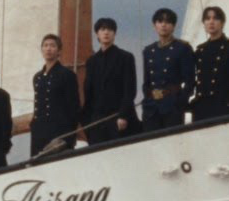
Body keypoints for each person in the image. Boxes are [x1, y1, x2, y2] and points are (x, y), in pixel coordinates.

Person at [80, 16, 138, 146]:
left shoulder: (125, 57)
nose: (106, 33)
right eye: (102, 29)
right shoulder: (91, 62)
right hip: (96, 121)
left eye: (110, 30)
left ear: (114, 33)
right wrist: (86, 121)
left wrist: (123, 115)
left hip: (118, 118)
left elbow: (130, 90)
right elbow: (89, 93)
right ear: (97, 34)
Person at [141, 8, 196, 132]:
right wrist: (148, 99)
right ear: (154, 25)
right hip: (151, 108)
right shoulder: (149, 51)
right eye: (160, 21)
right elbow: (147, 82)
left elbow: (190, 80)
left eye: (168, 22)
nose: (163, 25)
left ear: (174, 26)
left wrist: (180, 102)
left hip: (172, 106)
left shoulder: (182, 48)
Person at [189, 5, 229, 122]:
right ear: (204, 23)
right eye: (207, 19)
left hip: (222, 107)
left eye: (215, 18)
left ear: (222, 23)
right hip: (201, 109)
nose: (211, 22)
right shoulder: (200, 51)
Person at [31, 33, 81, 158]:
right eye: (45, 45)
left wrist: (68, 137)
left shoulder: (67, 75)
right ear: (41, 50)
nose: (48, 49)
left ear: (59, 51)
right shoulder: (37, 77)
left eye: (52, 46)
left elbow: (74, 108)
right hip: (39, 131)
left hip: (59, 132)